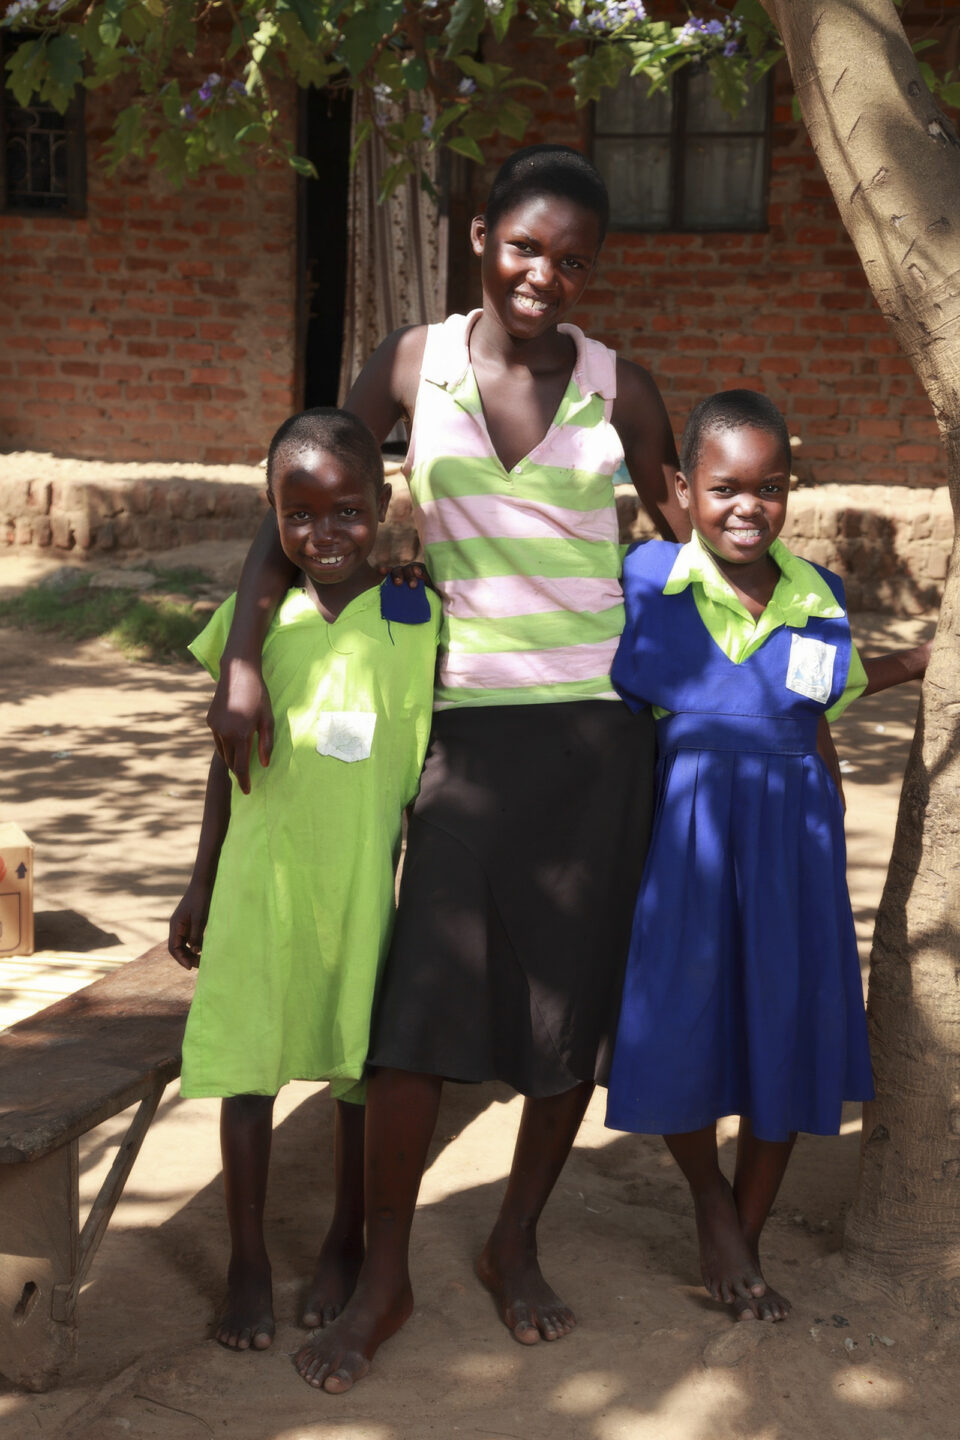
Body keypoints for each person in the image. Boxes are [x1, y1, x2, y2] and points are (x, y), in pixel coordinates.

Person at [205, 144, 687, 1391]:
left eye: (571, 259)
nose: (543, 275)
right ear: (481, 236)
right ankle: (386, 1273)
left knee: (564, 1018)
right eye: (524, 246)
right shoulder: (413, 364)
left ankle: (515, 1240)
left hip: (595, 737)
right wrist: (242, 659)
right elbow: (297, 488)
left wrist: (789, 647)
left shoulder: (622, 389)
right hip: (463, 733)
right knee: (413, 1017)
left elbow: (692, 541)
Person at [605, 389, 931, 1322]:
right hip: (689, 842)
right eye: (726, 489)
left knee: (783, 1026)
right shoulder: (648, 581)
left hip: (795, 843)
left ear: (791, 489)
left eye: (771, 487)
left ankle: (742, 1236)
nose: (749, 507)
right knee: (676, 1019)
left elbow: (823, 694)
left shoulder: (816, 593)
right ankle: (711, 1203)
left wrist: (924, 660)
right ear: (682, 490)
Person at [168, 407, 440, 1352]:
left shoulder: (415, 612)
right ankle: (245, 1259)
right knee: (248, 1070)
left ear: (384, 505)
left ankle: (343, 1240)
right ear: (272, 514)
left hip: (363, 894)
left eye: (348, 513)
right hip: (259, 887)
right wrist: (200, 882)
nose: (325, 534)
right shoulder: (255, 622)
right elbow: (224, 760)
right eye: (300, 516)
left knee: (357, 1073)